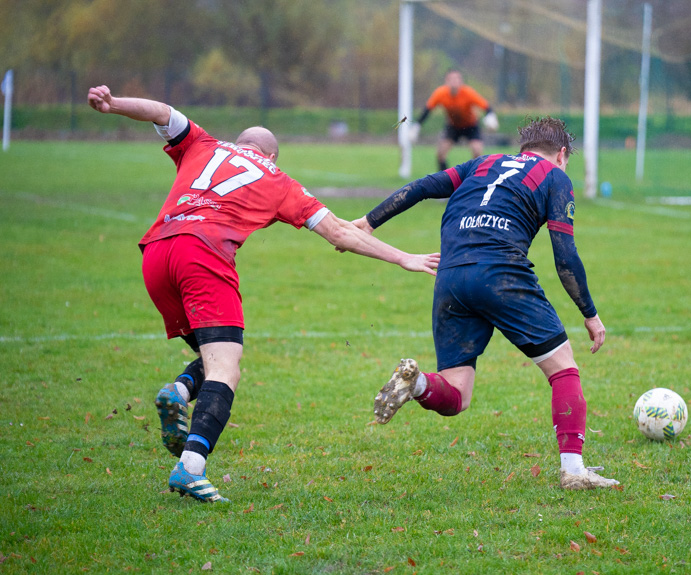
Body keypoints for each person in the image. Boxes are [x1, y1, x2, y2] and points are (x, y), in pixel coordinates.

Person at [87, 85, 439, 503]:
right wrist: (402, 258)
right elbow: (340, 234)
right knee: (226, 369)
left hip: (157, 252)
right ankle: (190, 468)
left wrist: (113, 105)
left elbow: (162, 112)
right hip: (202, 255)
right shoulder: (278, 180)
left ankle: (179, 391)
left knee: (215, 351)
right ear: (271, 157)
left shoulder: (202, 143)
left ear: (240, 144)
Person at [354, 116, 618, 491]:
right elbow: (565, 256)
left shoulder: (483, 162)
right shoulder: (555, 177)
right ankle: (574, 471)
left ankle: (417, 385)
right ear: (561, 155)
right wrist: (589, 314)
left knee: (456, 393)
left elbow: (423, 186)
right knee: (564, 369)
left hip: (449, 275)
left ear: (523, 148)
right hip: (501, 273)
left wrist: (369, 221)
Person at [410, 69, 499, 171]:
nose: (454, 82)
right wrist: (416, 126)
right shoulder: (440, 93)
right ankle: (444, 180)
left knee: (477, 152)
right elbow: (427, 110)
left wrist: (491, 117)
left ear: (461, 81)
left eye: (457, 79)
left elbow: (486, 106)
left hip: (470, 125)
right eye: (451, 79)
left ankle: (473, 178)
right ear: (446, 81)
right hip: (453, 126)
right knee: (440, 153)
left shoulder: (468, 92)